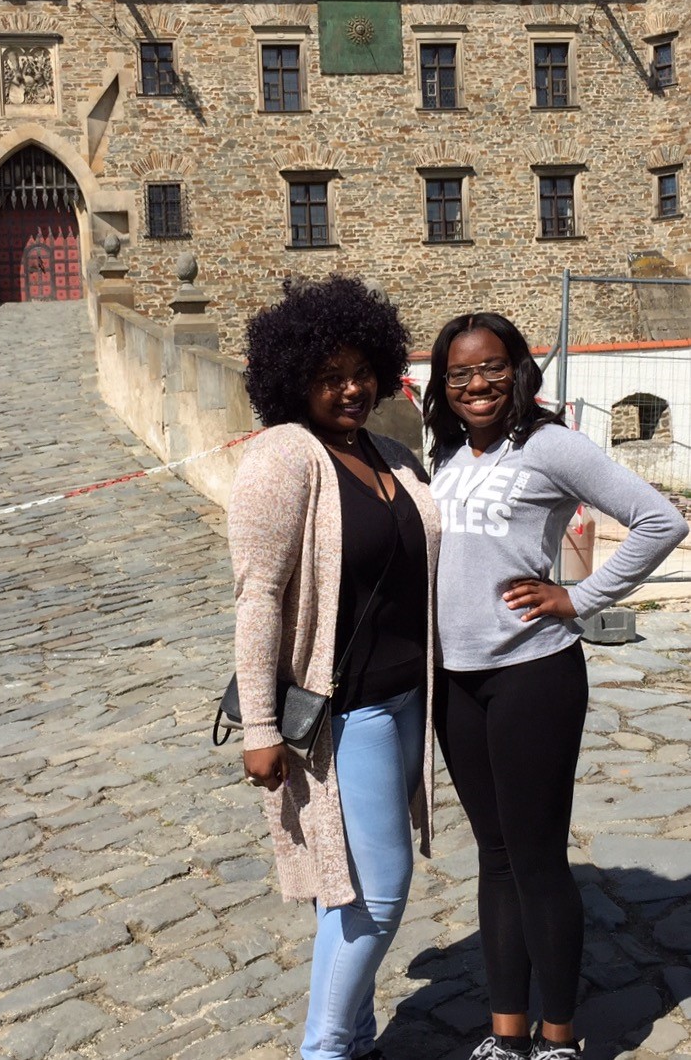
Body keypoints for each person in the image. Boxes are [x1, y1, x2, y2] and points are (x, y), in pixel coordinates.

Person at [423, 312, 688, 1060]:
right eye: (459, 373)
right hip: (456, 679)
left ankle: (559, 1038)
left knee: (536, 858)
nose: (476, 383)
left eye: (491, 367)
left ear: (517, 370)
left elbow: (657, 519)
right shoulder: (443, 453)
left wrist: (578, 596)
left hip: (531, 673)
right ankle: (505, 1036)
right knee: (495, 855)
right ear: (441, 385)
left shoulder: (549, 446)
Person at [227, 274, 440, 1060]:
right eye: (328, 376)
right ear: (294, 379)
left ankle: (351, 1035)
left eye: (358, 372)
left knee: (346, 889)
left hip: (404, 698)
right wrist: (257, 727)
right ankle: (324, 1050)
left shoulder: (386, 451)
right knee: (378, 893)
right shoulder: (283, 456)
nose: (349, 388)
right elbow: (257, 599)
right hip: (343, 713)